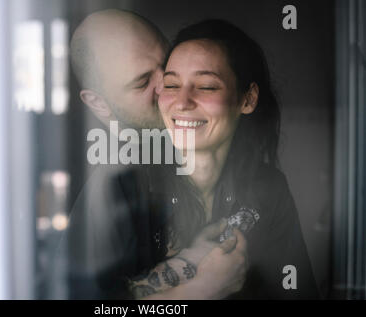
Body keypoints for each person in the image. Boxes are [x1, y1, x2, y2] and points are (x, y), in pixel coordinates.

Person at [61, 10, 248, 299]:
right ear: (99, 104)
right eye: (142, 82)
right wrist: (197, 291)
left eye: (167, 64)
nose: (169, 88)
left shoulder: (241, 165)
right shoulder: (111, 192)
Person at [130, 18, 320, 299]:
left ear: (247, 99)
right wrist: (200, 290)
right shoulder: (126, 183)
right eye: (171, 86)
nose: (182, 102)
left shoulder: (269, 188)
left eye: (206, 87)